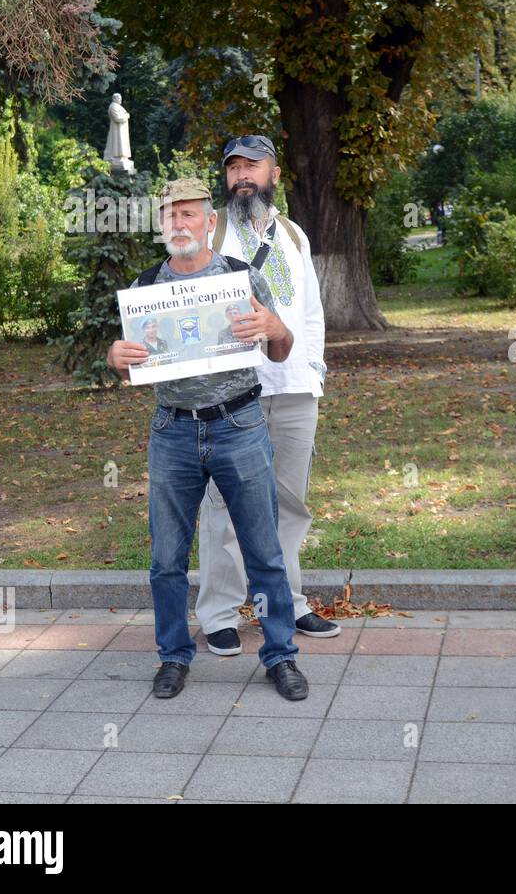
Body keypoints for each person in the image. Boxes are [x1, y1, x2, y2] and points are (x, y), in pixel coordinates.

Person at [106, 177, 310, 702]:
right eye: (170, 215)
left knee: (263, 550)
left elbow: (281, 352)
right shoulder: (145, 286)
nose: (179, 224)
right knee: (167, 557)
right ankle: (173, 657)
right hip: (172, 429)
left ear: (209, 223)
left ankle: (280, 656)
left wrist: (275, 328)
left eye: (190, 214)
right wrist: (117, 362)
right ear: (161, 225)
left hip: (239, 425)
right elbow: (136, 371)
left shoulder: (241, 278)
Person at [197, 134, 339, 656]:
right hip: (234, 395)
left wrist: (314, 370)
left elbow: (311, 313)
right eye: (233, 167)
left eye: (252, 166)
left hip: (296, 388)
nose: (241, 176)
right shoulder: (210, 232)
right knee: (224, 503)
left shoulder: (294, 235)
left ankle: (286, 601)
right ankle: (218, 612)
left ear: (274, 175)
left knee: (289, 505)